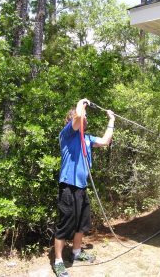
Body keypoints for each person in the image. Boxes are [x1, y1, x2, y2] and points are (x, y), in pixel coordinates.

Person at [53, 98, 115, 277]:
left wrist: (111, 120)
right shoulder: (66, 135)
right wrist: (82, 103)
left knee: (81, 224)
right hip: (68, 187)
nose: (85, 119)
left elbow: (104, 141)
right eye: (83, 117)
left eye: (86, 117)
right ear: (73, 120)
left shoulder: (88, 138)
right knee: (65, 225)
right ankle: (58, 262)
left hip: (82, 187)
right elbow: (79, 115)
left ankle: (76, 253)